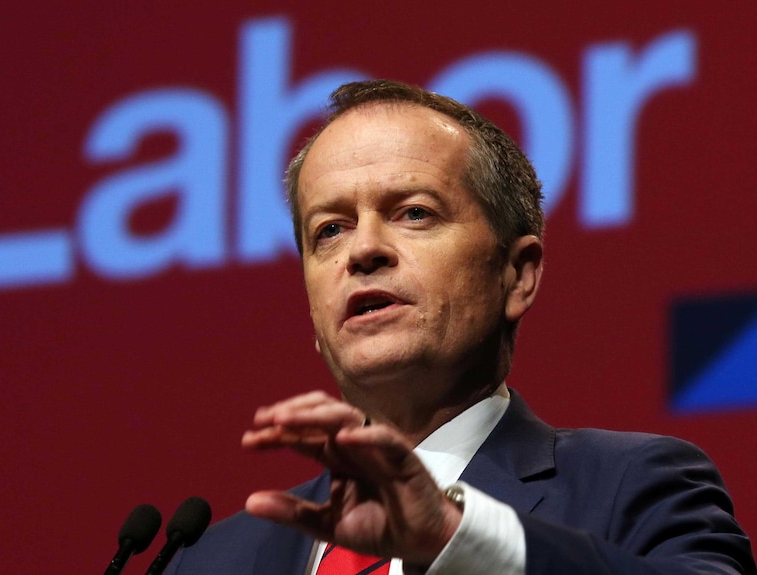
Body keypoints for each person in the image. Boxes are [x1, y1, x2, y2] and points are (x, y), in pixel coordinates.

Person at [169, 80, 756, 574]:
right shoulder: (209, 559)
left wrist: (457, 536)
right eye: (330, 230)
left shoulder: (633, 488)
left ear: (517, 275)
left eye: (414, 213)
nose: (363, 250)